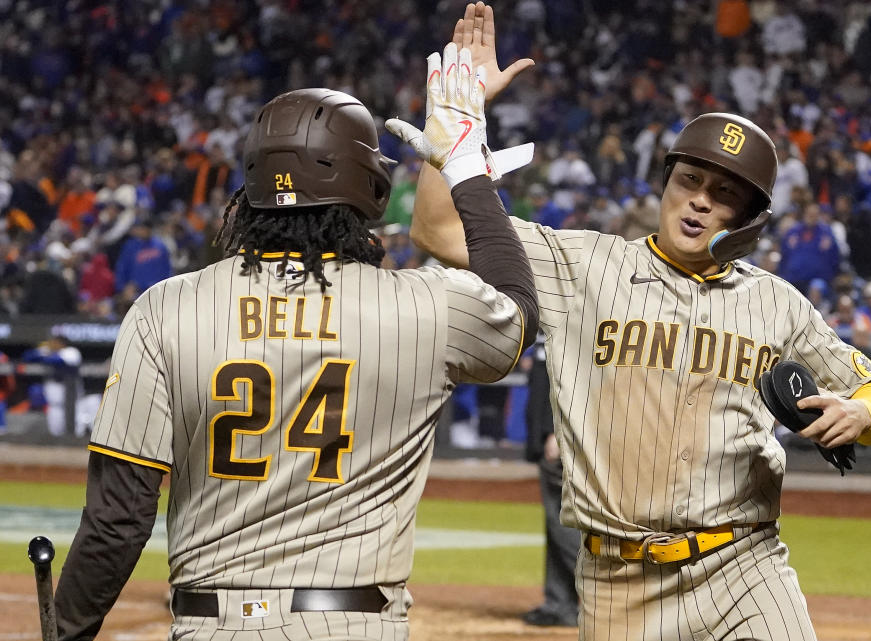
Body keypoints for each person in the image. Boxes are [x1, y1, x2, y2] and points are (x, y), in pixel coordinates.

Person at [409, 5, 871, 640]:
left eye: (723, 195)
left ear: (747, 221)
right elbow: (436, 228)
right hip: (619, 584)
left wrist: (862, 414)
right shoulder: (582, 263)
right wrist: (458, 118)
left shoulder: (779, 303)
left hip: (744, 566)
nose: (699, 199)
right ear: (666, 184)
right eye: (689, 180)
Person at [53, 47, 539, 641]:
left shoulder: (164, 308)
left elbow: (116, 523)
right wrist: (463, 163)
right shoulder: (426, 306)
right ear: (371, 187)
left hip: (212, 626)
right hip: (356, 624)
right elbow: (518, 305)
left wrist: (67, 632)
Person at [522, 331, 579, 628]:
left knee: (564, 520)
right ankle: (560, 603)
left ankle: (599, 588)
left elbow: (573, 375)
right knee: (555, 519)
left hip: (561, 433)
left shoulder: (571, 309)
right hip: (550, 427)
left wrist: (557, 430)